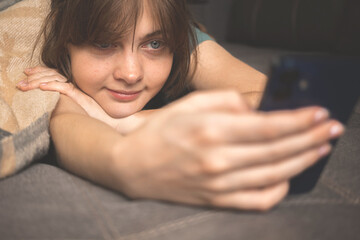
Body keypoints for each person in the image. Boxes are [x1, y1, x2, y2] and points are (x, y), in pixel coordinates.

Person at [17, 0, 343, 211]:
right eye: (104, 44)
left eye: (154, 44)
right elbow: (68, 124)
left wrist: (127, 123)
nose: (131, 73)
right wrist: (125, 163)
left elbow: (275, 100)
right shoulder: (47, 62)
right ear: (66, 45)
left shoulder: (186, 43)